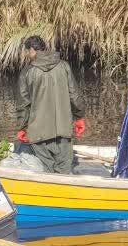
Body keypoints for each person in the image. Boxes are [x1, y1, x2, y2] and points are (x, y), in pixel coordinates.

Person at [17, 36, 85, 174]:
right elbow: (75, 95)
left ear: (31, 50)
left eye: (27, 51)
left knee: (46, 172)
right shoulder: (64, 66)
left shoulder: (27, 72)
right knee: (64, 172)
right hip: (63, 130)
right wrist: (79, 117)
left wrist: (22, 127)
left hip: (39, 132)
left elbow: (24, 104)